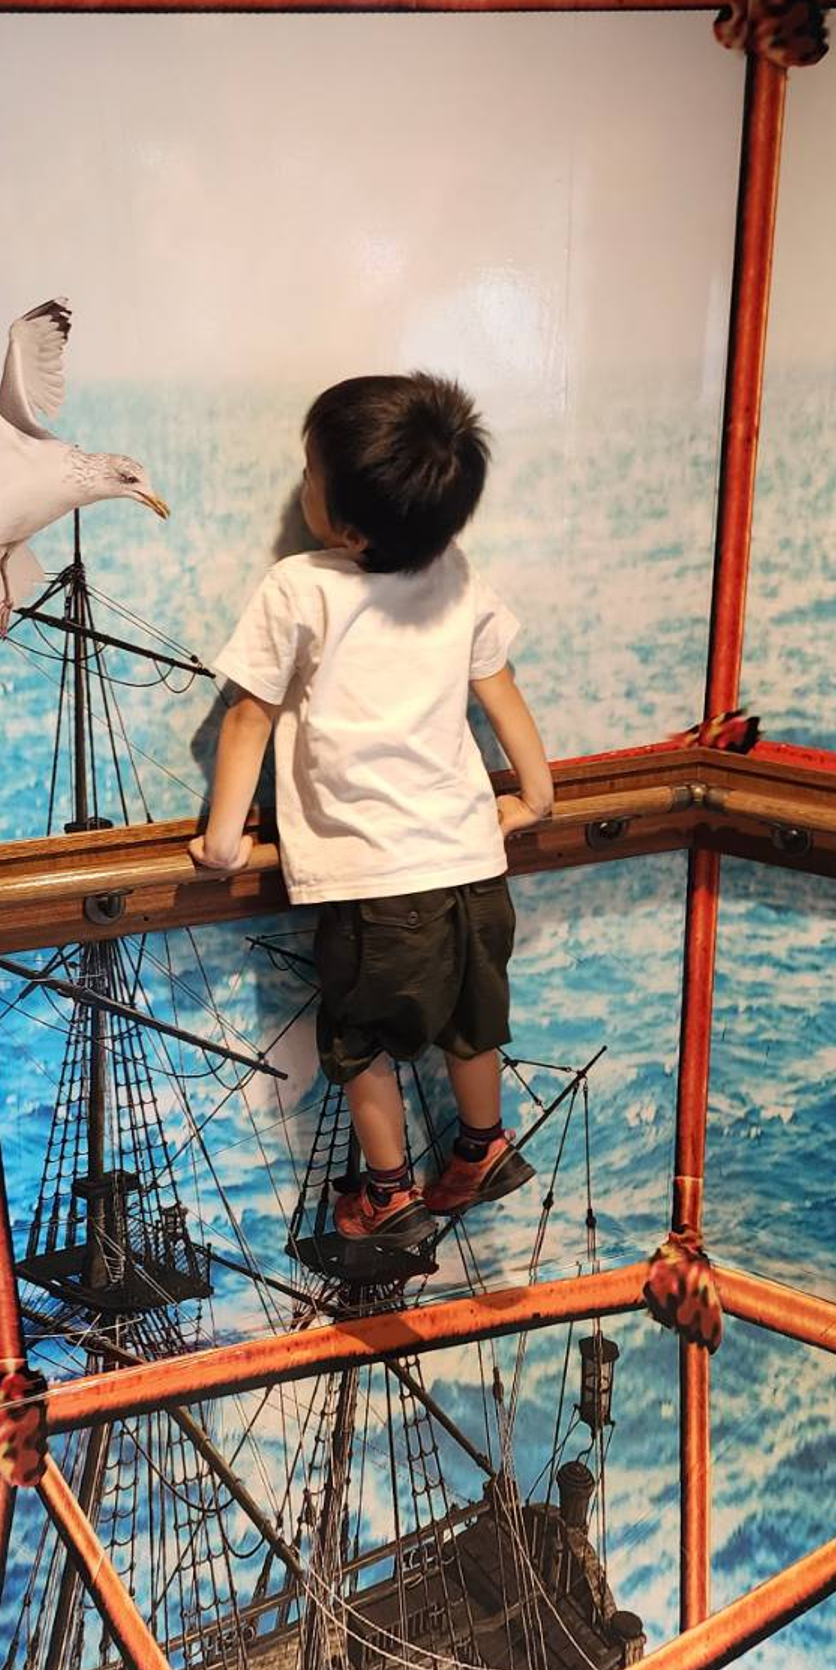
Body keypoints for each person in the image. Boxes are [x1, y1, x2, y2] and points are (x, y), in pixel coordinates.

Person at [190, 372, 554, 1242]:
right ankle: (483, 1146)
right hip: (474, 866)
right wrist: (537, 795)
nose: (301, 485)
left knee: (361, 1040)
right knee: (471, 1022)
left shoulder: (298, 587)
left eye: (309, 474)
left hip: (374, 881)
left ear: (348, 528)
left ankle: (387, 1192)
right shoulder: (456, 574)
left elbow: (249, 715)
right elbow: (499, 685)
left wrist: (223, 840)